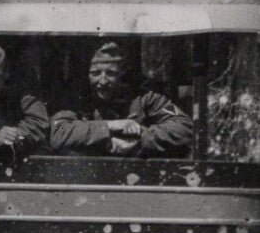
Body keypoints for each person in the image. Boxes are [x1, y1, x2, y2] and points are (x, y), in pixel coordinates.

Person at [49, 41, 195, 157]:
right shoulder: (77, 97)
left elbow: (184, 128)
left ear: (122, 74)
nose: (103, 81)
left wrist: (138, 140)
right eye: (95, 73)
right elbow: (59, 133)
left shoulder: (144, 97)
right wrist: (110, 127)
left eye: (111, 73)